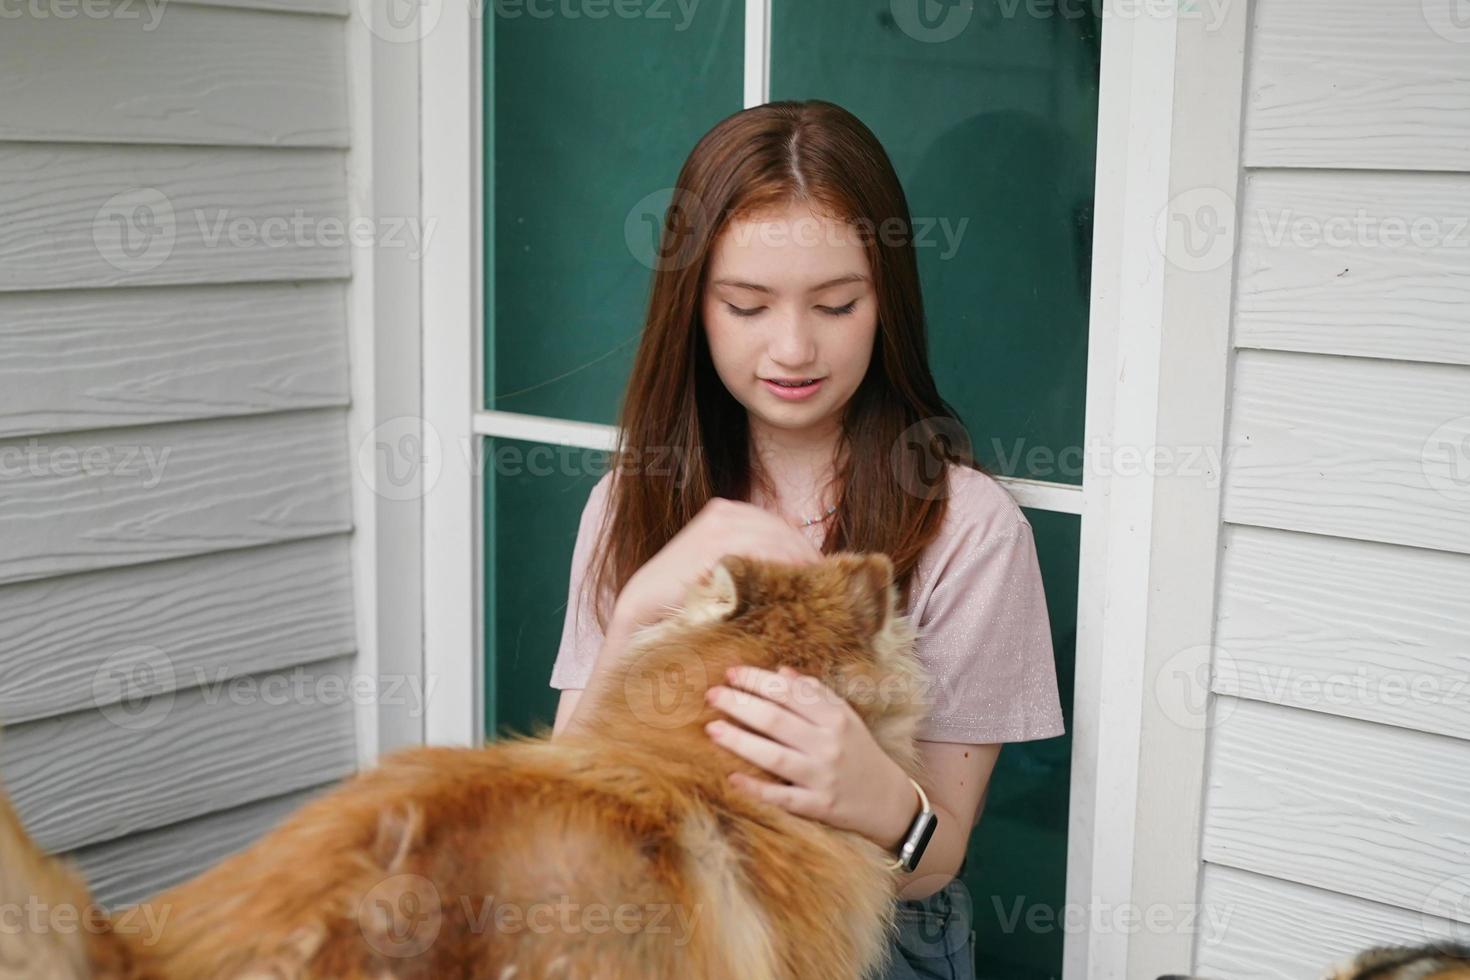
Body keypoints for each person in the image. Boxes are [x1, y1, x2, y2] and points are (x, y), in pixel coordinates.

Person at [546, 99, 1065, 980]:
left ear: (885, 302)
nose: (793, 347)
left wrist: (871, 795)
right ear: (694, 307)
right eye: (747, 305)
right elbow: (561, 811)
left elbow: (937, 859)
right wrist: (637, 611)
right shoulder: (629, 505)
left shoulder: (970, 529)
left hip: (873, 939)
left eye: (836, 303)